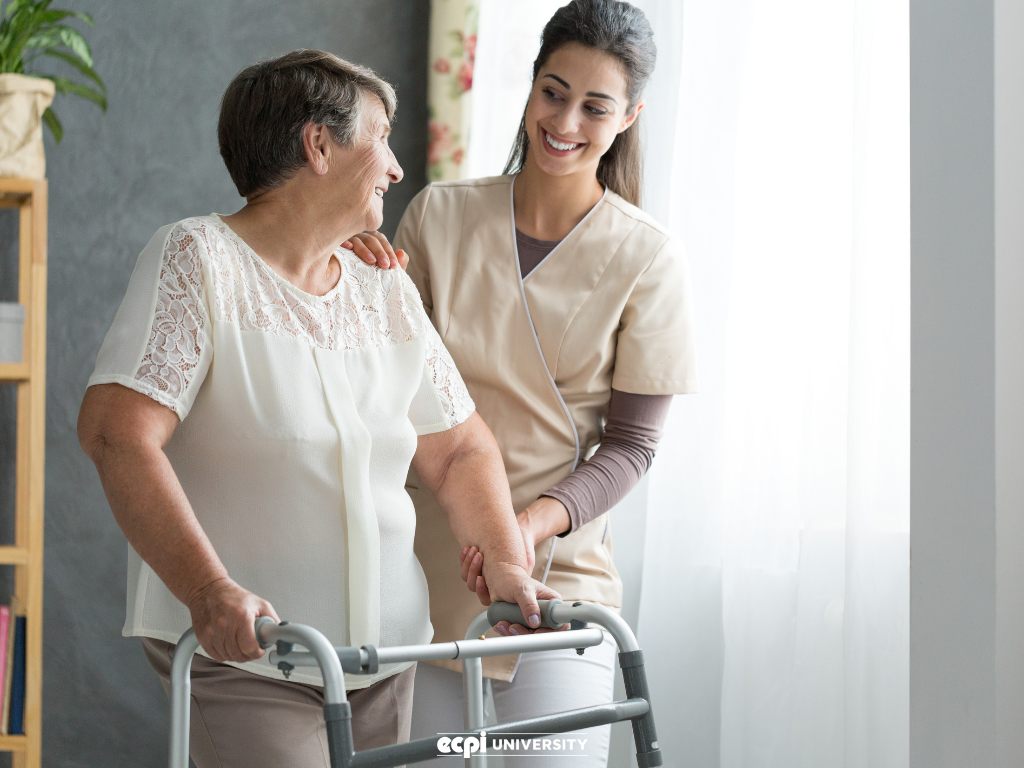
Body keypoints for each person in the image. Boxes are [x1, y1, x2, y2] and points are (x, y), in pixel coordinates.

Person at [77, 49, 557, 768]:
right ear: (319, 144)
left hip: (387, 658)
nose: (396, 168)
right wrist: (208, 592)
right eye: (382, 138)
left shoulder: (380, 283)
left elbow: (458, 449)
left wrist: (507, 563)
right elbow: (117, 434)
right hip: (250, 657)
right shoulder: (198, 260)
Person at [343, 1, 697, 765]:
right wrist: (351, 282)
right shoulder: (438, 217)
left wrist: (523, 528)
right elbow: (385, 390)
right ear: (531, 86)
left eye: (595, 105)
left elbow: (632, 447)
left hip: (558, 595)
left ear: (629, 116)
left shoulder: (648, 258)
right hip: (432, 585)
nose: (565, 119)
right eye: (553, 91)